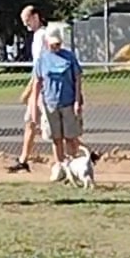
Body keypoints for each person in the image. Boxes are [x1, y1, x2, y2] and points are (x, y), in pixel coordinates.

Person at [30, 21, 83, 168]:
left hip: (68, 103)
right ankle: (60, 166)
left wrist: (77, 101)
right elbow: (37, 84)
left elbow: (77, 79)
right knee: (56, 138)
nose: (55, 47)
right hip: (50, 104)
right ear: (47, 42)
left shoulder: (69, 57)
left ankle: (73, 166)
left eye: (58, 44)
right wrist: (35, 109)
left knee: (70, 137)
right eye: (53, 44)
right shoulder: (42, 59)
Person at [7, 4, 48, 173]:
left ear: (36, 17)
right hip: (38, 87)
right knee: (30, 122)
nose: (26, 25)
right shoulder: (37, 36)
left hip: (43, 88)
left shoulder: (42, 36)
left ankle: (85, 154)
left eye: (27, 20)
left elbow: (40, 67)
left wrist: (29, 90)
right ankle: (23, 159)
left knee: (52, 128)